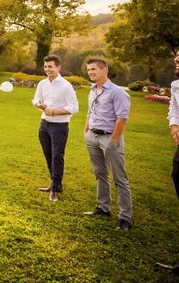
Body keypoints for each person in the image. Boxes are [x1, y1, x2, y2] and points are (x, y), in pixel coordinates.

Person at [83, 57, 133, 231]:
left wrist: (113, 141)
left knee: (120, 178)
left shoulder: (117, 92)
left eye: (93, 69)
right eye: (88, 70)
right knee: (100, 173)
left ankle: (125, 218)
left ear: (104, 70)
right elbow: (90, 111)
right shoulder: (92, 90)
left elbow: (122, 118)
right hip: (93, 137)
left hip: (110, 138)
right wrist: (86, 131)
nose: (90, 72)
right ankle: (103, 207)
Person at [32, 54, 79, 202]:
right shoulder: (42, 84)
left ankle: (55, 189)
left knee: (57, 157)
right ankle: (55, 184)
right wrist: (38, 104)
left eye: (50, 66)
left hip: (59, 126)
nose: (47, 69)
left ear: (58, 67)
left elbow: (74, 107)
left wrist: (53, 112)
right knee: (48, 155)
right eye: (45, 66)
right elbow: (35, 98)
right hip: (44, 124)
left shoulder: (66, 86)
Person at [156, 50, 179, 272]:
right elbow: (174, 107)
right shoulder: (176, 85)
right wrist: (173, 124)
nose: (177, 59)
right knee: (176, 173)